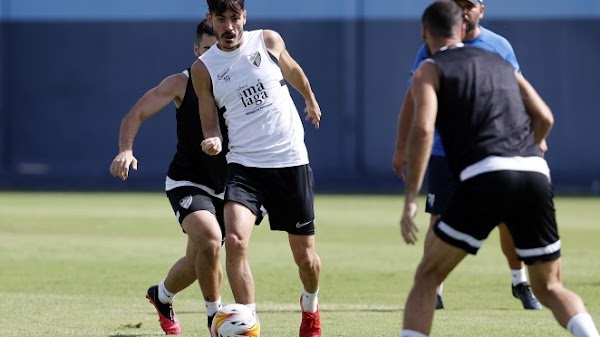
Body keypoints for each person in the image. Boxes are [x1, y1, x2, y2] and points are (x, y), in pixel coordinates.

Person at [399, 2, 600, 336]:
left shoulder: (430, 68)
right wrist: (522, 150)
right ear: (462, 28)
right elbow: (545, 117)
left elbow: (422, 131)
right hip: (534, 171)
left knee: (428, 277)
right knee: (550, 287)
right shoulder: (499, 60)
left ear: (424, 32)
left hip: (485, 174)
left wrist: (409, 200)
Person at [392, 0, 541, 310]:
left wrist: (530, 137)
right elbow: (412, 97)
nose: (465, 9)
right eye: (459, 4)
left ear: (481, 10)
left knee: (508, 220)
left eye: (470, 4)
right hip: (446, 151)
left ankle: (520, 281)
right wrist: (400, 146)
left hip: (491, 149)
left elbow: (520, 97)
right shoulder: (433, 51)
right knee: (439, 217)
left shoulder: (498, 46)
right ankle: (434, 289)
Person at [190, 1, 322, 336]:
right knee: (234, 240)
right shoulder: (203, 69)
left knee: (306, 260)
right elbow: (208, 119)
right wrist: (212, 140)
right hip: (245, 165)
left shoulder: (267, 40)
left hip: (289, 160)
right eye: (221, 20)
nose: (229, 27)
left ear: (244, 17)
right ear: (211, 20)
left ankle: (310, 305)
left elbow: (293, 71)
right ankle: (248, 324)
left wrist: (309, 99)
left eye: (234, 18)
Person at [109, 21, 227, 335]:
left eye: (219, 49)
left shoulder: (238, 84)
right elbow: (136, 113)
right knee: (211, 240)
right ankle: (216, 319)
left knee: (197, 260)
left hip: (226, 186)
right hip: (187, 180)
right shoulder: (181, 83)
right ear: (195, 50)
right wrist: (125, 150)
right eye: (206, 50)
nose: (213, 57)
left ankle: (161, 296)